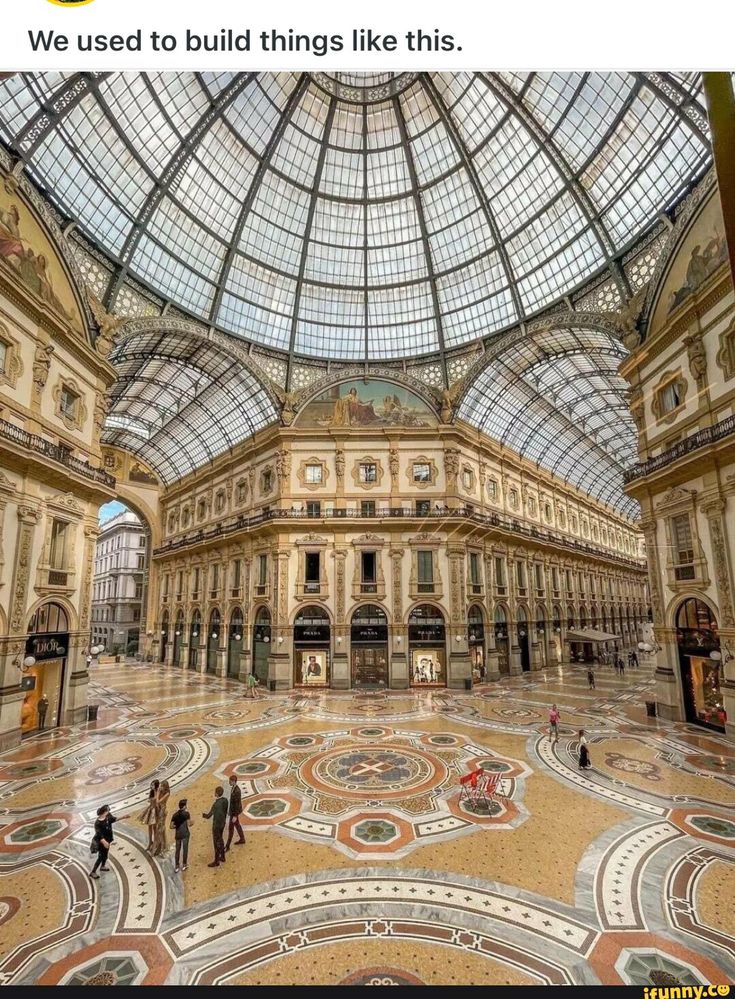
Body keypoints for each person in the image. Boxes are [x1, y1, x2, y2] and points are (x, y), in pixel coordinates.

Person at [89, 804, 117, 879]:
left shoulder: (108, 817)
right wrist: (104, 842)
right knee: (101, 857)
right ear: (104, 812)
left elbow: (113, 819)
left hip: (108, 839)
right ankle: (93, 871)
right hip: (101, 843)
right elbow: (99, 834)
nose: (109, 812)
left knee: (105, 855)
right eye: (108, 810)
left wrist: (123, 817)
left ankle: (103, 866)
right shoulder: (97, 823)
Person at [203, 785, 228, 867]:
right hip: (223, 823)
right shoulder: (225, 800)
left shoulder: (215, 804)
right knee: (220, 839)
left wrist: (203, 815)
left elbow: (208, 816)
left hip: (216, 825)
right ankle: (223, 856)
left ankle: (216, 861)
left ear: (216, 794)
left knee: (216, 842)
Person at [170, 798, 193, 872]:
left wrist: (177, 826)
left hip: (178, 835)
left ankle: (176, 866)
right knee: (185, 850)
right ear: (184, 806)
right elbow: (189, 824)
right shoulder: (186, 814)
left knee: (177, 850)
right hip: (185, 834)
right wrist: (193, 822)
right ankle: (184, 865)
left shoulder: (175, 815)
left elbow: (171, 826)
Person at [138, 779, 160, 851]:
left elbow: (156, 800)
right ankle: (150, 842)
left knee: (154, 827)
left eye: (153, 785)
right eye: (151, 784)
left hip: (155, 810)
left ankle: (155, 843)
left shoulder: (157, 792)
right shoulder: (151, 792)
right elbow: (150, 800)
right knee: (149, 827)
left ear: (156, 786)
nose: (151, 786)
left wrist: (155, 792)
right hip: (151, 809)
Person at [225, 774, 246, 850]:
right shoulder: (233, 788)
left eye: (230, 781)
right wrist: (230, 811)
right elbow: (233, 802)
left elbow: (237, 804)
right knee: (237, 825)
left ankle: (227, 846)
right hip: (233, 812)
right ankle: (242, 839)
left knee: (231, 829)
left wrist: (235, 816)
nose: (229, 782)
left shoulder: (237, 791)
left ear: (234, 781)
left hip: (234, 813)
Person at [151, 779, 170, 857]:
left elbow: (158, 801)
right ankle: (163, 846)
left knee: (160, 829)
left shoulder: (167, 793)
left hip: (162, 811)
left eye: (162, 786)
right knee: (161, 829)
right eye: (160, 786)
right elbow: (155, 801)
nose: (160, 787)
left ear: (165, 787)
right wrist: (158, 793)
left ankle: (161, 849)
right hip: (158, 811)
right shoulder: (160, 792)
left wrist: (158, 792)